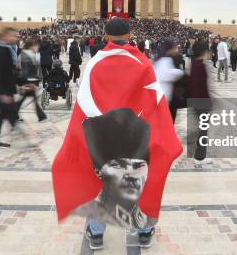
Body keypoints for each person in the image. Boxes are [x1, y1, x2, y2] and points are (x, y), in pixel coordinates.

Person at [52, 17, 181, 251]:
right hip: (135, 135)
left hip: (104, 137)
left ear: (106, 36)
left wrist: (76, 138)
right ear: (130, 35)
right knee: (137, 182)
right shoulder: (142, 63)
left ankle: (97, 233)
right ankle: (143, 232)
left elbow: (84, 103)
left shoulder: (95, 63)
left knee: (103, 185)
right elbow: (155, 101)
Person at [0, 27, 33, 149]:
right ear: (5, 36)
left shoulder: (5, 49)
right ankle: (26, 140)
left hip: (1, 90)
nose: (16, 38)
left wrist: (24, 82)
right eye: (14, 35)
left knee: (4, 114)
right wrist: (2, 93)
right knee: (10, 114)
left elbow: (11, 72)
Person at [188, 40, 212, 165]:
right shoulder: (200, 66)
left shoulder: (194, 64)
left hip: (196, 102)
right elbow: (202, 87)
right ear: (203, 52)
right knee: (203, 130)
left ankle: (198, 153)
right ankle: (199, 157)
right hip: (202, 103)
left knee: (201, 129)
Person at [154, 38, 184, 122]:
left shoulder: (159, 59)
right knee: (164, 120)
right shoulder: (164, 60)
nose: (176, 49)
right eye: (174, 47)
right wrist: (180, 72)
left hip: (163, 95)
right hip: (163, 95)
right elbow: (166, 75)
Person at [17, 39, 47, 123]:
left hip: (30, 80)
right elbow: (26, 70)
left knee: (27, 98)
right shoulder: (26, 55)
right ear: (31, 46)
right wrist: (28, 82)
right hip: (28, 81)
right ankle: (41, 115)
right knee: (27, 98)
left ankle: (41, 115)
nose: (37, 47)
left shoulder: (30, 54)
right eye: (36, 46)